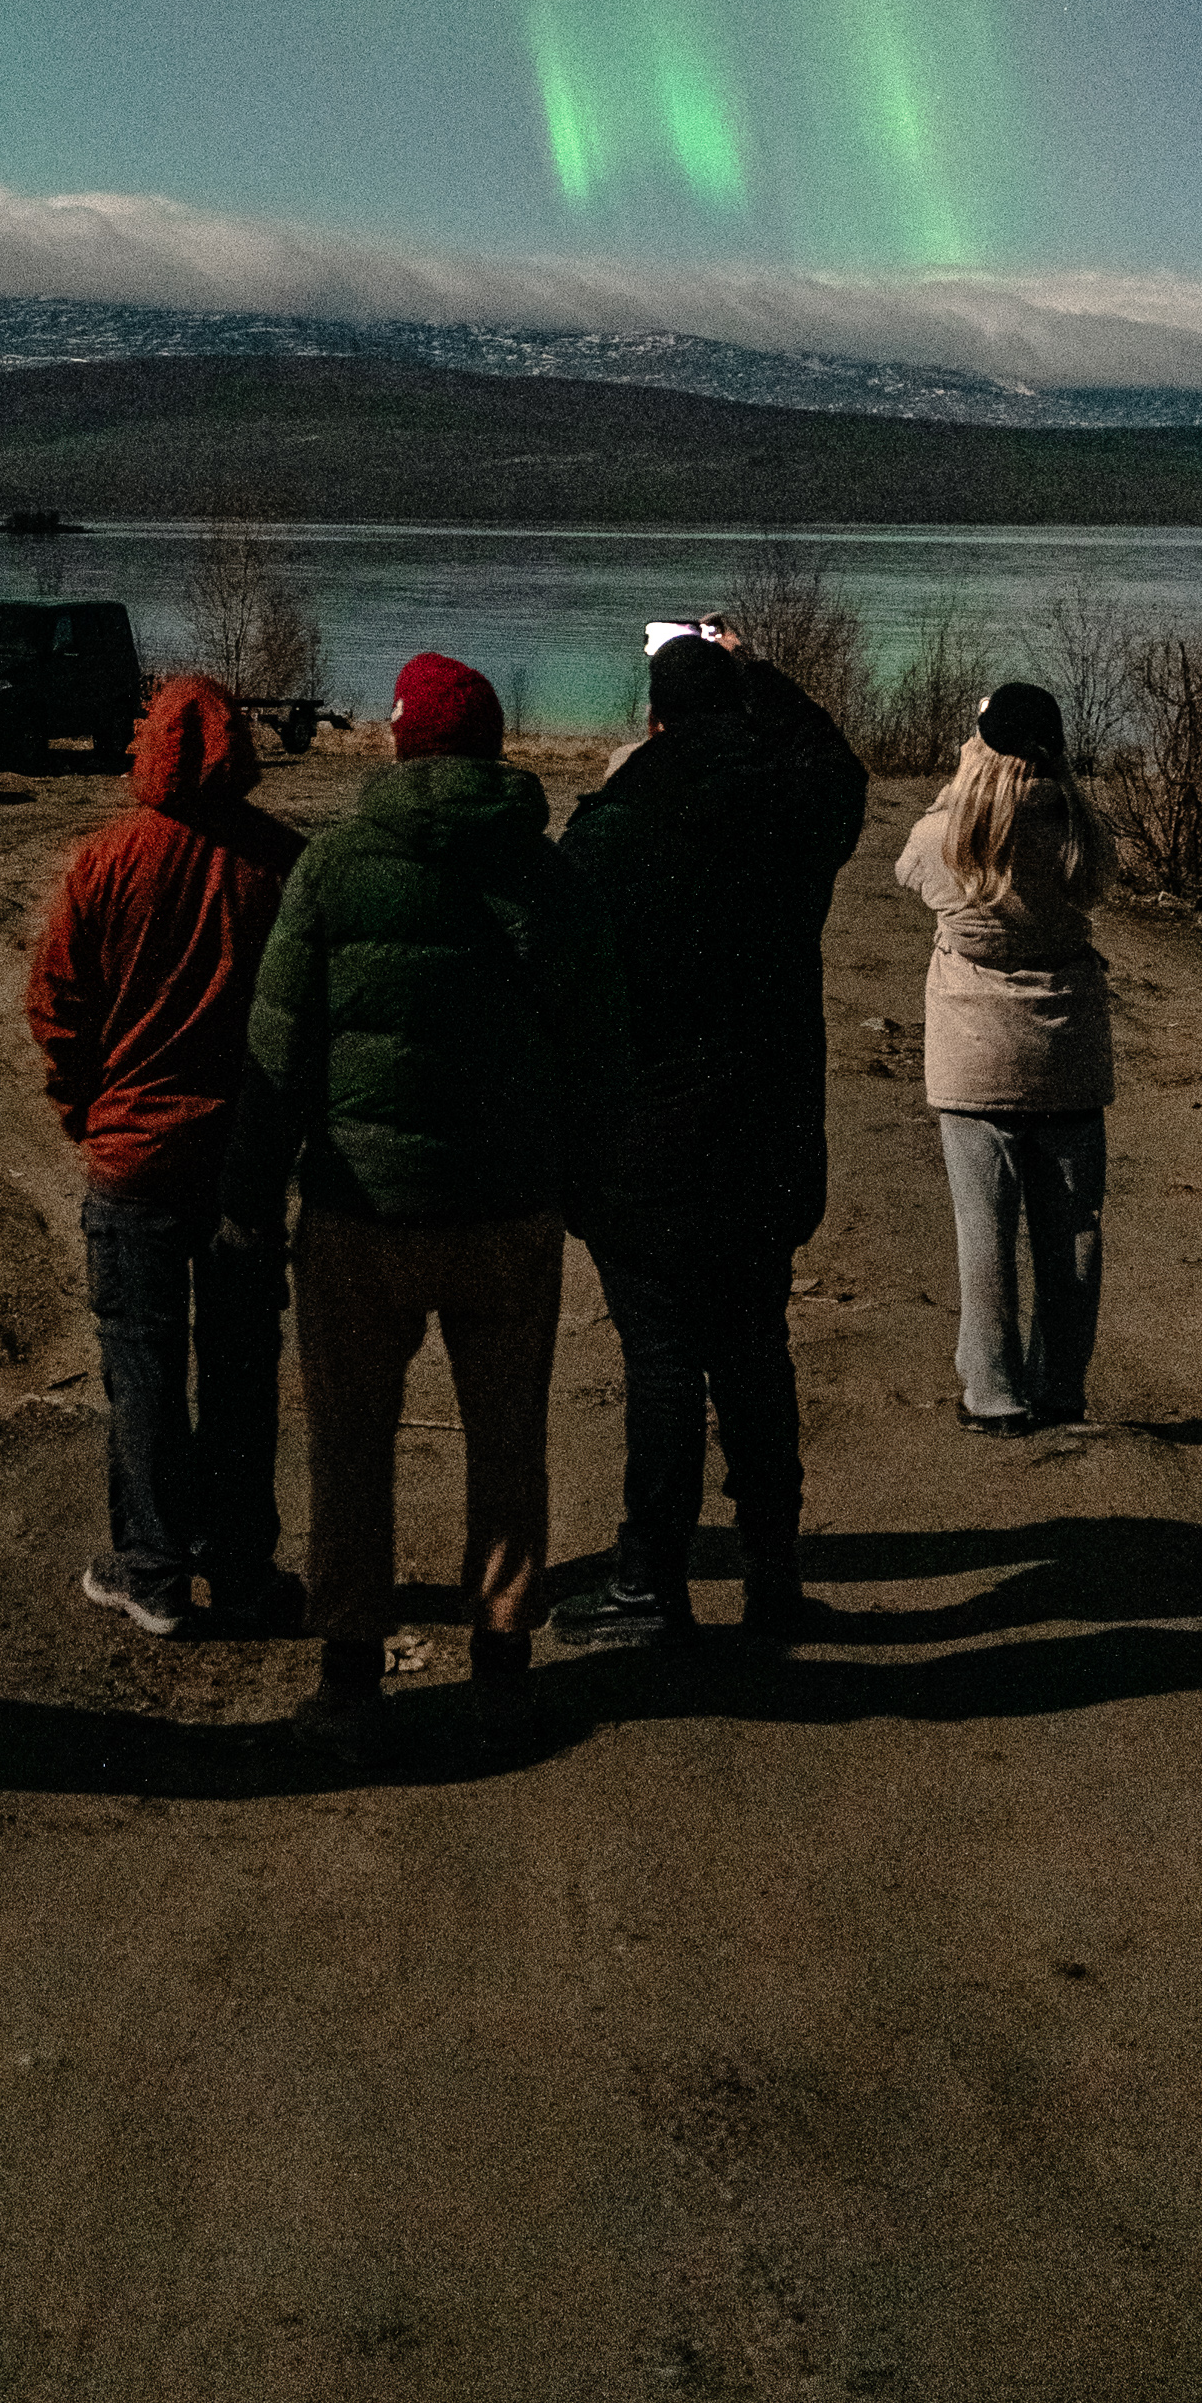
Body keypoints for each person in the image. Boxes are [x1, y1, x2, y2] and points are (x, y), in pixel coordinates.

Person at [225, 650, 605, 1756]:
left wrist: (250, 1195)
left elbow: (279, 1047)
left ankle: (350, 1677)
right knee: (508, 1438)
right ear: (491, 748)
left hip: (360, 1214)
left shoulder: (336, 871)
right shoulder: (547, 876)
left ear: (397, 742)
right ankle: (501, 1662)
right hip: (508, 1217)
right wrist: (587, 1184)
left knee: (349, 1442)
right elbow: (597, 1051)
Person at [552, 618, 867, 1652]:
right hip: (767, 1137)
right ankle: (772, 1577)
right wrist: (759, 669)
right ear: (733, 711)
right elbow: (835, 762)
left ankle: (650, 1583)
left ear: (651, 719)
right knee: (755, 1352)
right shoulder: (792, 814)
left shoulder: (610, 830)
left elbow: (567, 992)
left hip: (646, 1144)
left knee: (663, 1360)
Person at [24, 673, 308, 1644]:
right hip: (240, 1164)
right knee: (239, 1369)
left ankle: (151, 1570)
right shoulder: (281, 864)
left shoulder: (106, 863)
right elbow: (311, 1018)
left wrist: (85, 1111)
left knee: (141, 1368)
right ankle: (238, 1570)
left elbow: (54, 1007)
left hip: (135, 1157)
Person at [895, 679, 1116, 1433]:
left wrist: (962, 778)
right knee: (1074, 1230)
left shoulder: (945, 834)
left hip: (972, 1053)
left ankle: (993, 1393)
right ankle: (1060, 1386)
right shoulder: (1081, 830)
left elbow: (905, 874)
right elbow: (1100, 885)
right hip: (1069, 1046)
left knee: (983, 1229)